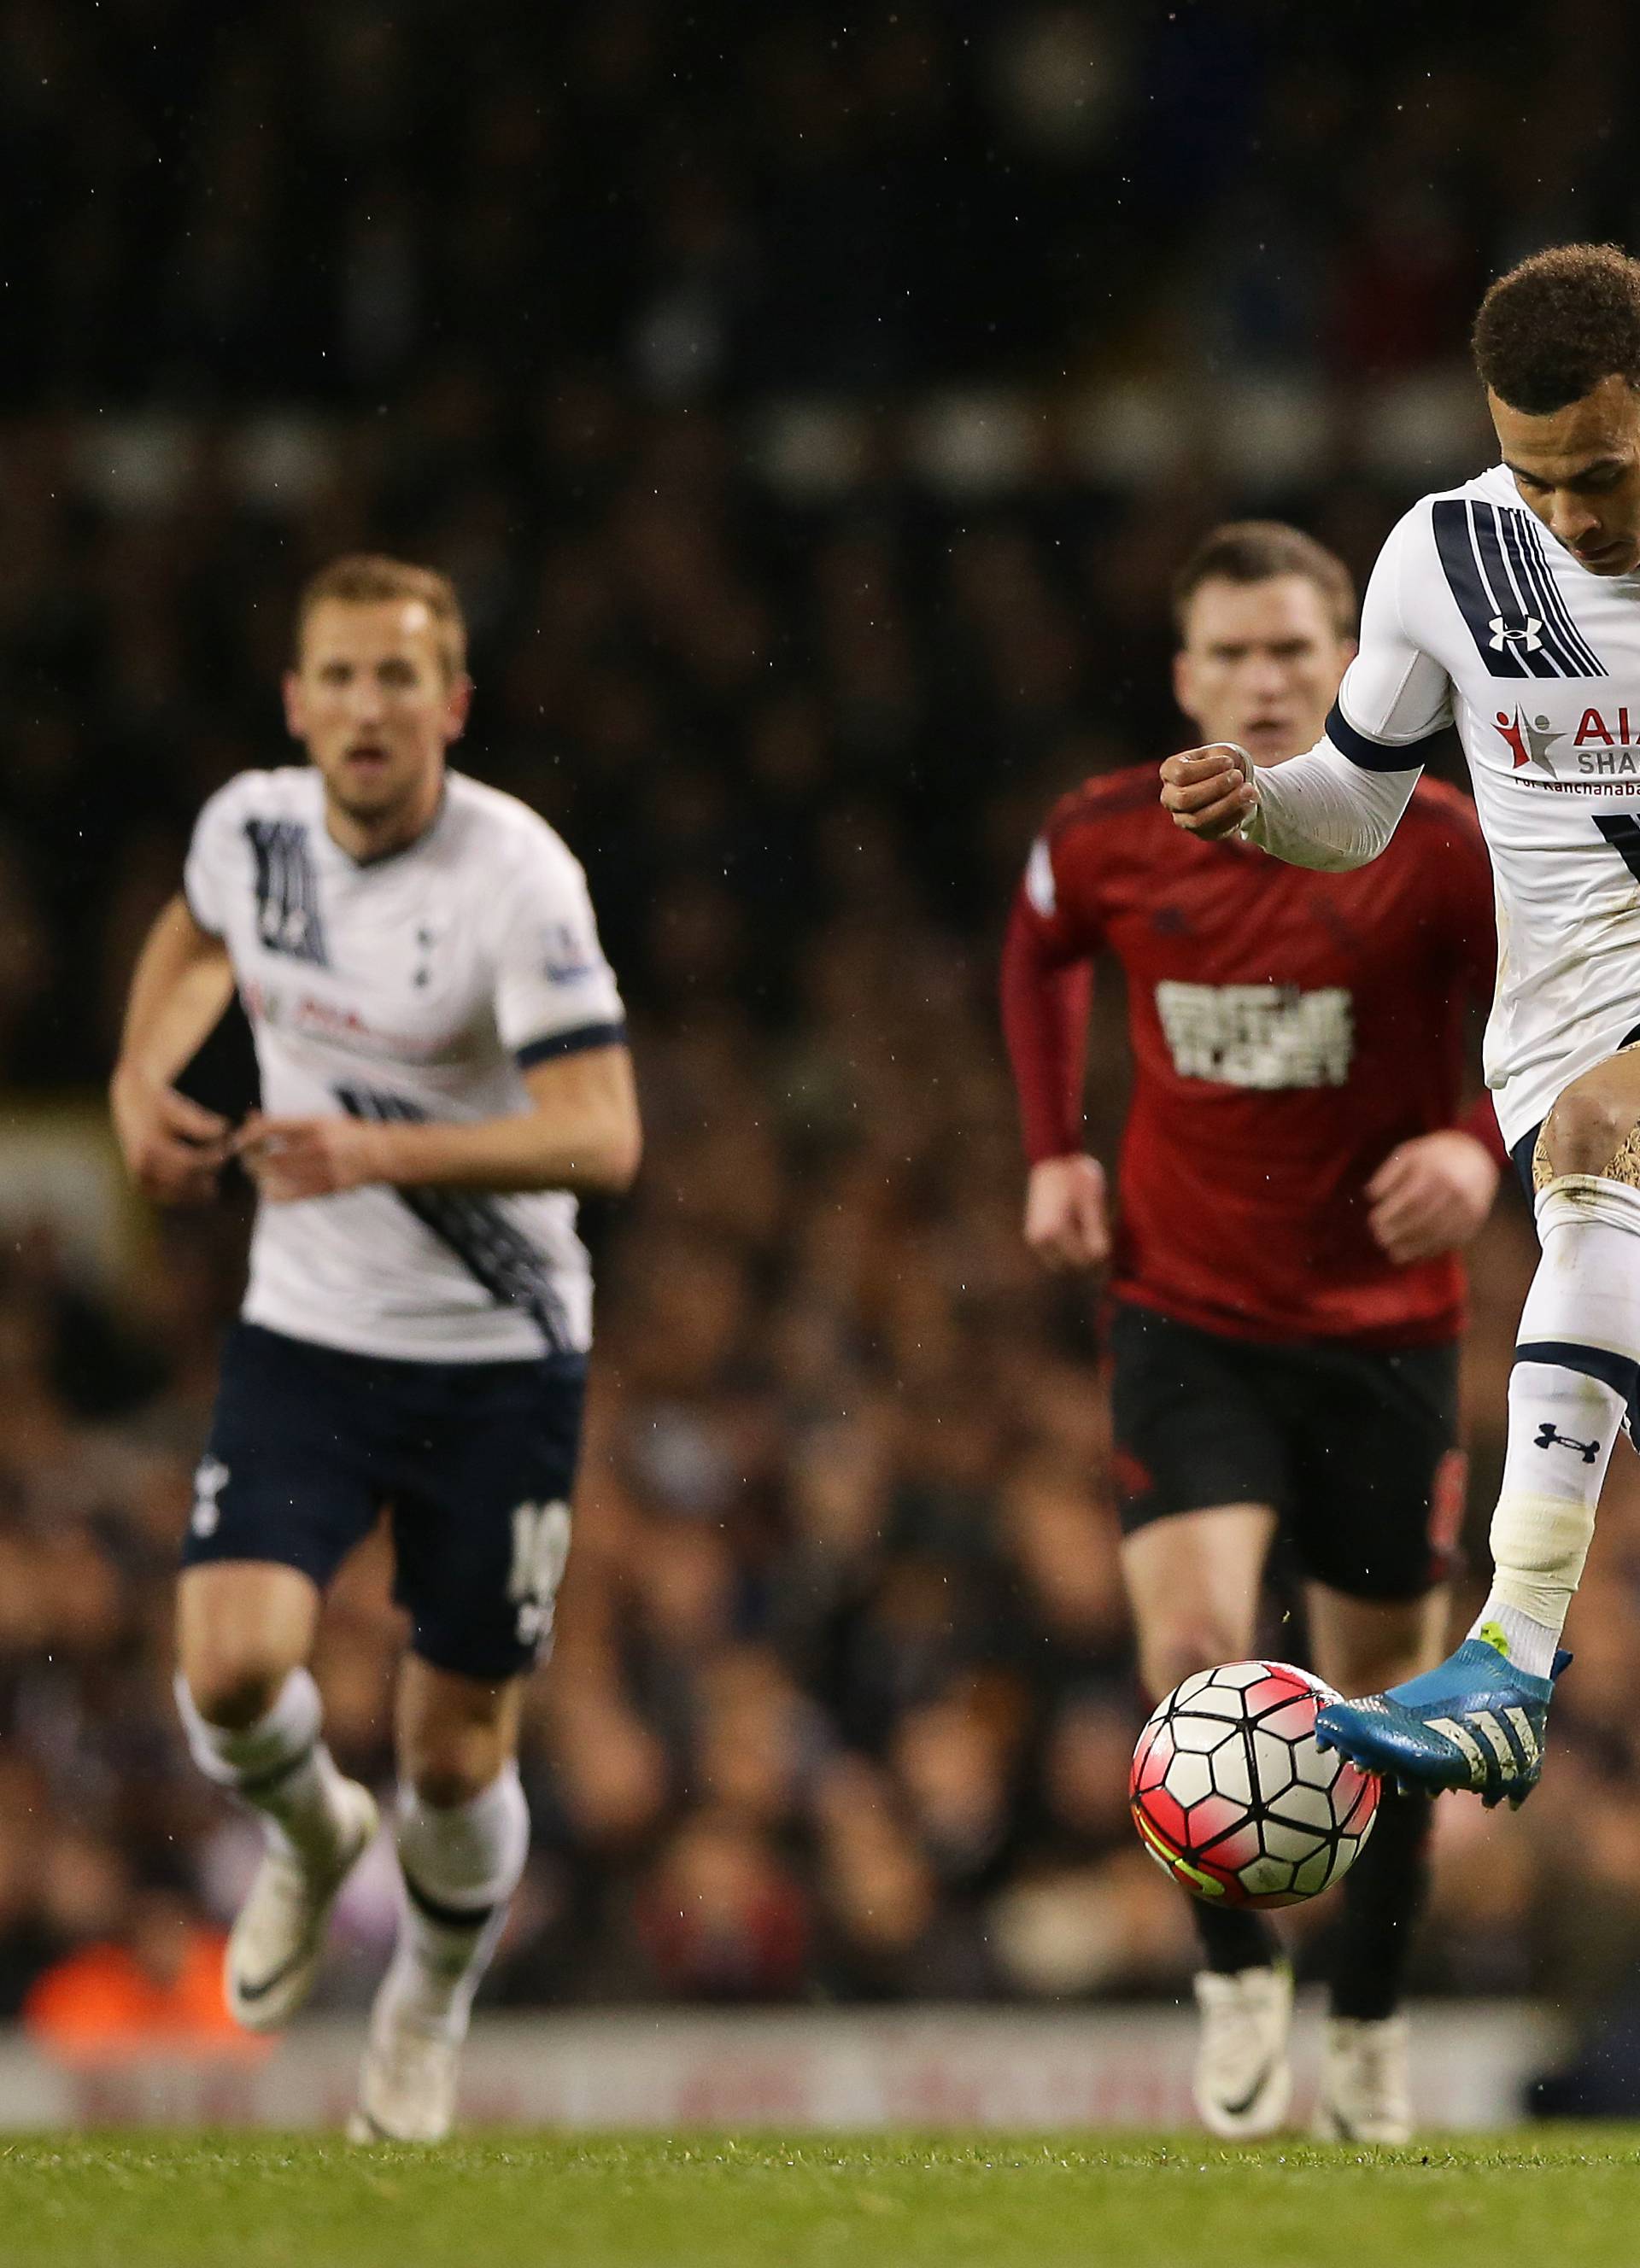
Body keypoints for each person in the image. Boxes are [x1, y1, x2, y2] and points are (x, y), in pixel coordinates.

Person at [108, 554, 641, 2142]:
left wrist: (377, 1153)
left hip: (501, 1355)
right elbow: (194, 931)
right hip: (312, 1331)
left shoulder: (515, 880)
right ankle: (312, 1837)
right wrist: (140, 1078)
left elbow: (606, 1136)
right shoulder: (249, 826)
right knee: (227, 1669)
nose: (364, 707)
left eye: (398, 678)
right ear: (296, 702)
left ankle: (426, 2005)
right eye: (337, 677)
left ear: (452, 706)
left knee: (458, 1756)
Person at [1002, 522, 1504, 2141]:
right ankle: (1233, 1972)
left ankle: (1364, 2021)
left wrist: (1473, 1148)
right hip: (1186, 1310)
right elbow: (1037, 947)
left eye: (1298, 648)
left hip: (1386, 1330)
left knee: (1391, 1714)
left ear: (1353, 656)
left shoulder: (1438, 845)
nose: (1268, 679)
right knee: (1186, 1656)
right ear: (1184, 677)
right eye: (1233, 653)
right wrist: (1053, 1149)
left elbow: (1560, 1001)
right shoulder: (1108, 835)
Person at [1161, 243, 1640, 1813]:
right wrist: (1257, 806)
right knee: (1590, 1165)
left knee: (1601, 1140)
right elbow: (1357, 807)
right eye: (1540, 473)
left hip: (1603, 1078)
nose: (1573, 512)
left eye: (1608, 472)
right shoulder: (1445, 555)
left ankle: (1507, 1656)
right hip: (1561, 1020)